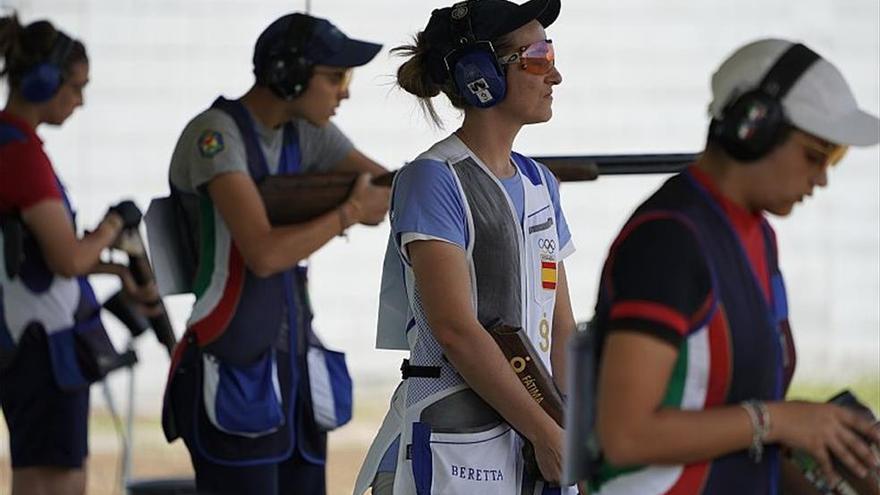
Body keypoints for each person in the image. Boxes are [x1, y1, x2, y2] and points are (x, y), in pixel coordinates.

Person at [589, 38, 880, 494]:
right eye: (816, 155)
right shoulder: (669, 239)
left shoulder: (757, 237)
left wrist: (822, 440)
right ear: (753, 127)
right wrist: (780, 420)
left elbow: (744, 438)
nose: (822, 177)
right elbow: (625, 436)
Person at [159, 12, 390, 495]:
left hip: (291, 367)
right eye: (335, 77)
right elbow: (262, 253)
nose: (343, 91)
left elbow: (390, 190)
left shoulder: (306, 132)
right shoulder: (216, 135)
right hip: (231, 358)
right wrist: (346, 213)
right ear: (290, 75)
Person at [354, 1, 578, 493]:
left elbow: (561, 326)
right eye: (537, 57)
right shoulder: (433, 180)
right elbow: (455, 329)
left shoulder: (541, 183)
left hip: (531, 445)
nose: (555, 75)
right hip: (453, 442)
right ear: (481, 74)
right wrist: (546, 432)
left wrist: (574, 427)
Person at [0, 15, 157, 495]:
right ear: (44, 81)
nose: (80, 100)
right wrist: (112, 224)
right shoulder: (19, 154)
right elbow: (67, 259)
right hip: (43, 346)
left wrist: (110, 264)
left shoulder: (12, 145)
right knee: (54, 482)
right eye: (75, 86)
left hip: (33, 341)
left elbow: (40, 260)